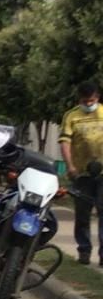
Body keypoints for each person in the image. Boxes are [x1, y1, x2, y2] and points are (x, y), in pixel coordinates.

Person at [60, 81, 103, 266]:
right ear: (80, 100)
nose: (88, 104)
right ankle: (84, 251)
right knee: (82, 215)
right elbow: (65, 142)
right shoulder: (71, 116)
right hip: (81, 174)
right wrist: (70, 166)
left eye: (91, 100)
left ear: (97, 97)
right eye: (85, 101)